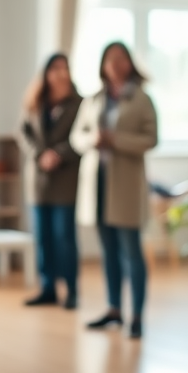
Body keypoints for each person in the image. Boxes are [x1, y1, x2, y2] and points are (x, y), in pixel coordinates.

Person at [70, 42, 158, 338]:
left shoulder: (141, 99)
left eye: (121, 59)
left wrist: (116, 140)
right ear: (103, 65)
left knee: (131, 251)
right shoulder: (94, 99)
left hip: (126, 185)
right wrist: (93, 140)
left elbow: (151, 139)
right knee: (108, 251)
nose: (116, 64)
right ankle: (113, 309)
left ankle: (137, 316)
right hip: (98, 184)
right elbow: (76, 138)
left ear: (130, 64)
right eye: (110, 59)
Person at [20, 53, 84, 309]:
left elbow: (82, 136)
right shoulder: (35, 102)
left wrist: (59, 154)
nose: (60, 73)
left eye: (64, 68)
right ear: (45, 73)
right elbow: (22, 132)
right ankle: (47, 288)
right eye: (54, 68)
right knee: (43, 238)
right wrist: (39, 155)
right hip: (38, 181)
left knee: (64, 238)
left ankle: (71, 290)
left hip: (65, 180)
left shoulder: (80, 103)